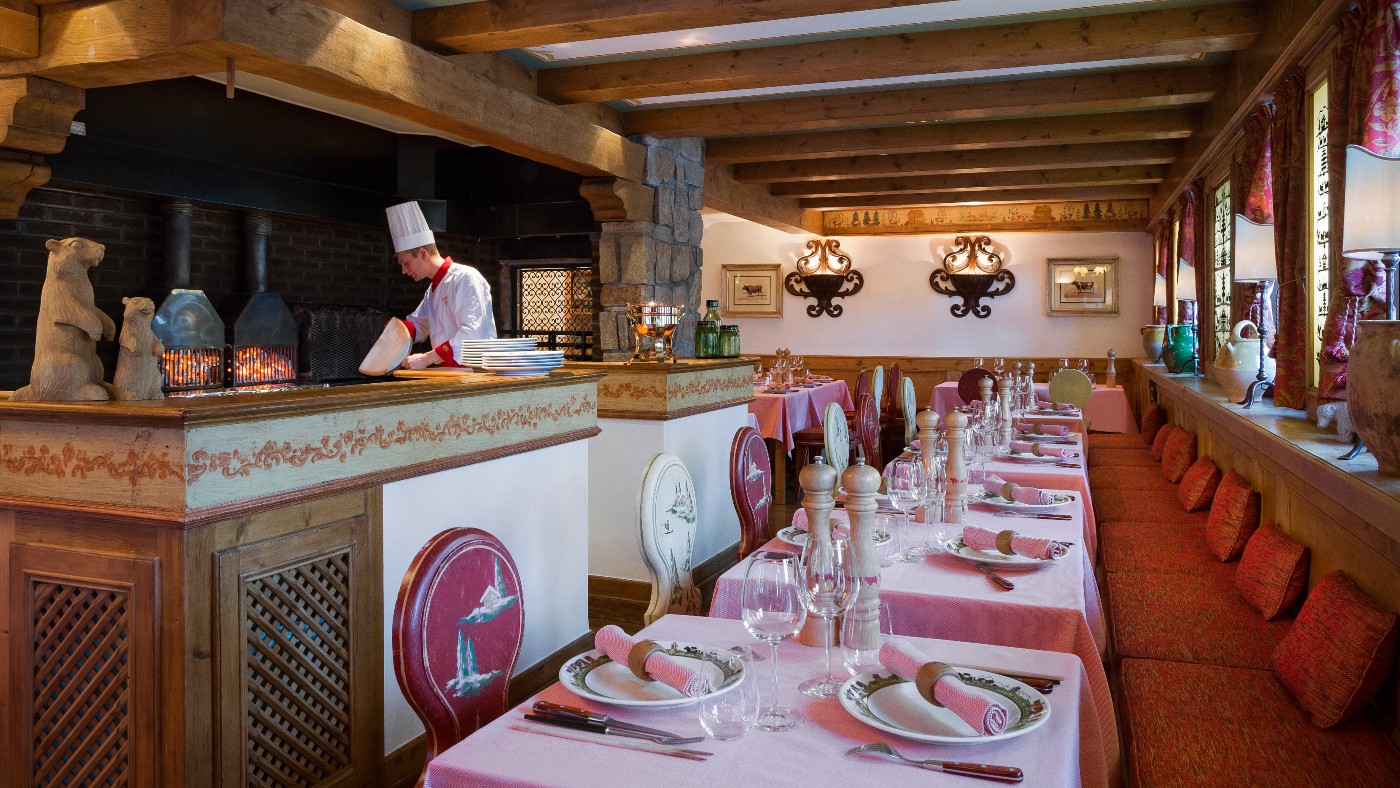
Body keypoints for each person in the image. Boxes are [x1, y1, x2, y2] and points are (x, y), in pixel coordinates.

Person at [386, 201, 497, 369]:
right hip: (450, 372)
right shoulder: (432, 291)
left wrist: (426, 358)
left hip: (476, 373)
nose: (404, 271)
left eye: (406, 263)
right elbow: (420, 325)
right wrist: (395, 330)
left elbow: (472, 334)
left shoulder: (466, 277)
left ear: (423, 254)